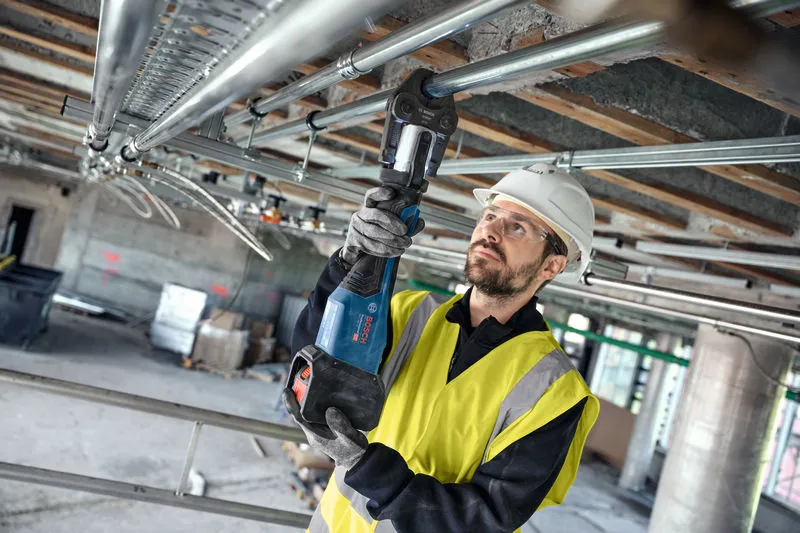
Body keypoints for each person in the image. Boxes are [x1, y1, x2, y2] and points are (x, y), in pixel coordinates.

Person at [285, 163, 600, 533]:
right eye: (490, 216)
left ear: (551, 265)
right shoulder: (408, 312)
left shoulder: (555, 392)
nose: (490, 232)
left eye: (517, 227)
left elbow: (485, 518)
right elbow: (315, 364)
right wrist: (351, 262)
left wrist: (365, 467)